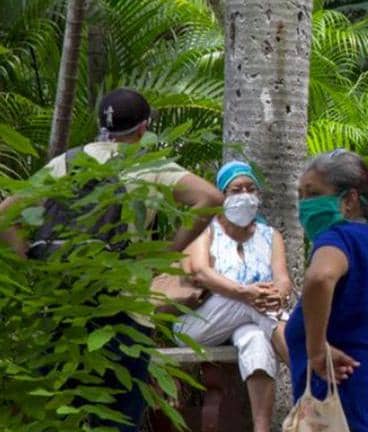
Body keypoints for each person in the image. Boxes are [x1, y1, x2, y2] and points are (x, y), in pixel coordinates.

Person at [0, 88, 224, 431]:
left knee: (61, 412)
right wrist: (166, 252)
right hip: (125, 309)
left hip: (61, 305)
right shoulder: (148, 165)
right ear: (143, 127)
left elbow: (5, 214)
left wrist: (29, 261)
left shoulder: (66, 162)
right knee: (120, 412)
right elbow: (210, 197)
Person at [285, 149, 368, 431]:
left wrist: (316, 350)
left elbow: (320, 277)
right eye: (300, 196)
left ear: (349, 201)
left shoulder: (339, 238)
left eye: (313, 194)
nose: (304, 205)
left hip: (348, 412)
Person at [174, 160, 292, 432]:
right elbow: (201, 272)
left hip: (249, 319)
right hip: (196, 326)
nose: (245, 196)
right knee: (249, 303)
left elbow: (283, 279)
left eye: (251, 189)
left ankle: (261, 429)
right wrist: (245, 292)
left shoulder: (270, 235)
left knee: (256, 339)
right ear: (222, 195)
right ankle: (308, 373)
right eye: (236, 190)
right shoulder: (205, 230)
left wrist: (279, 293)